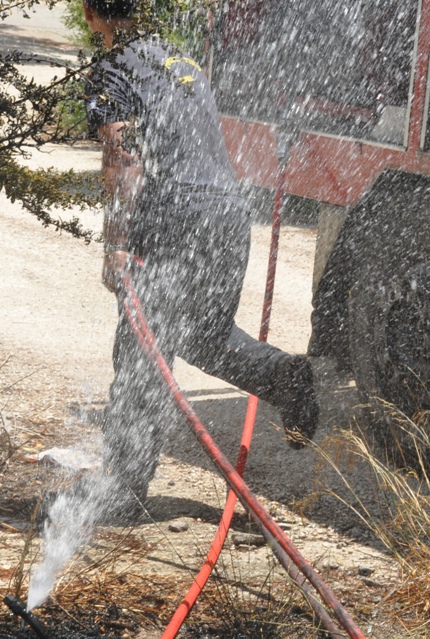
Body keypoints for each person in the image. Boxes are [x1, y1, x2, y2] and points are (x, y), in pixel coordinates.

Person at [77, 0, 318, 521]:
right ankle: (281, 376)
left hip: (175, 217)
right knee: (204, 335)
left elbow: (122, 157)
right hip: (226, 215)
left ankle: (122, 492)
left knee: (143, 352)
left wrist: (116, 243)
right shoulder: (179, 59)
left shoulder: (111, 70)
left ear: (90, 12)